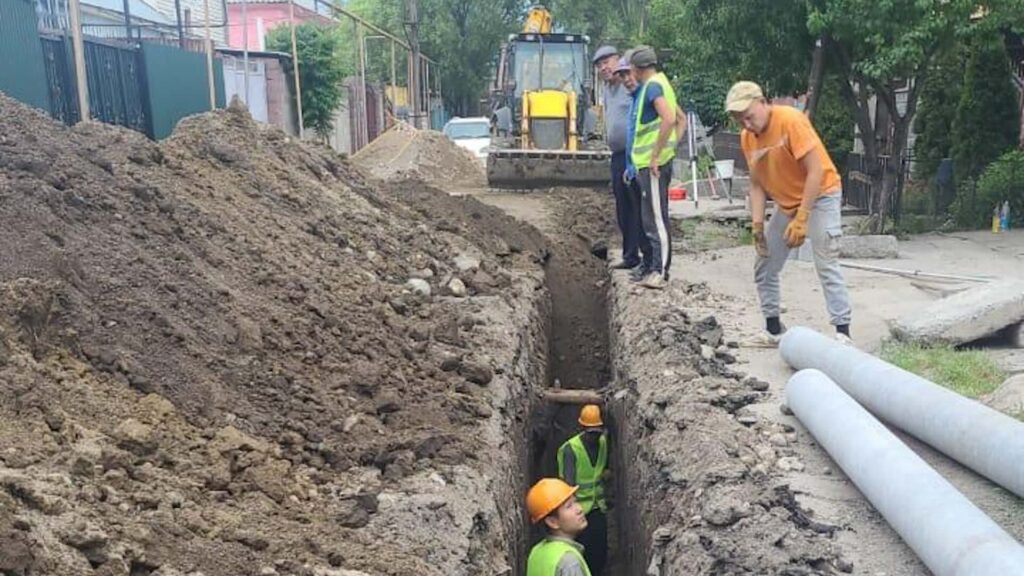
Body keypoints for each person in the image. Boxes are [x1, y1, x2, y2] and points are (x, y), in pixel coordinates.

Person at [724, 81, 852, 346]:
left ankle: (843, 333)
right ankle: (773, 329)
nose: (747, 125)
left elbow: (815, 170)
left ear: (763, 102)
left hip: (821, 195)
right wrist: (757, 226)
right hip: (787, 203)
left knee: (826, 261)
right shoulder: (748, 138)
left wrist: (803, 217)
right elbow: (757, 184)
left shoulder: (790, 121)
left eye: (749, 116)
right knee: (765, 263)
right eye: (740, 121)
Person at [629, 46, 679, 290]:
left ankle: (660, 271)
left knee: (656, 218)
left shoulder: (653, 87)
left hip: (653, 167)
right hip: (648, 165)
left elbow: (670, 119)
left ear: (638, 69)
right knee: (651, 217)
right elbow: (678, 120)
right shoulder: (661, 83)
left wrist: (657, 155)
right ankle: (654, 268)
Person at [592, 46, 643, 272]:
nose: (604, 68)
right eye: (599, 65)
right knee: (623, 210)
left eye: (607, 62)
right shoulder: (607, 90)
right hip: (617, 156)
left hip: (634, 155)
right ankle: (630, 255)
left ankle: (648, 257)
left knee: (637, 206)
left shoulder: (628, 84)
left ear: (618, 60)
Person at [557, 405, 609, 576]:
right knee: (582, 554)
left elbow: (602, 468)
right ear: (582, 428)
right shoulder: (570, 449)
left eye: (597, 432)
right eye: (590, 433)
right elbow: (567, 486)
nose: (594, 437)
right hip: (577, 510)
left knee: (600, 552)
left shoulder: (602, 442)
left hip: (597, 507)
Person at [526, 478, 593, 576]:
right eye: (569, 506)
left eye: (575, 501)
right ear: (552, 522)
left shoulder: (536, 552)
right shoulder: (569, 562)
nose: (579, 509)